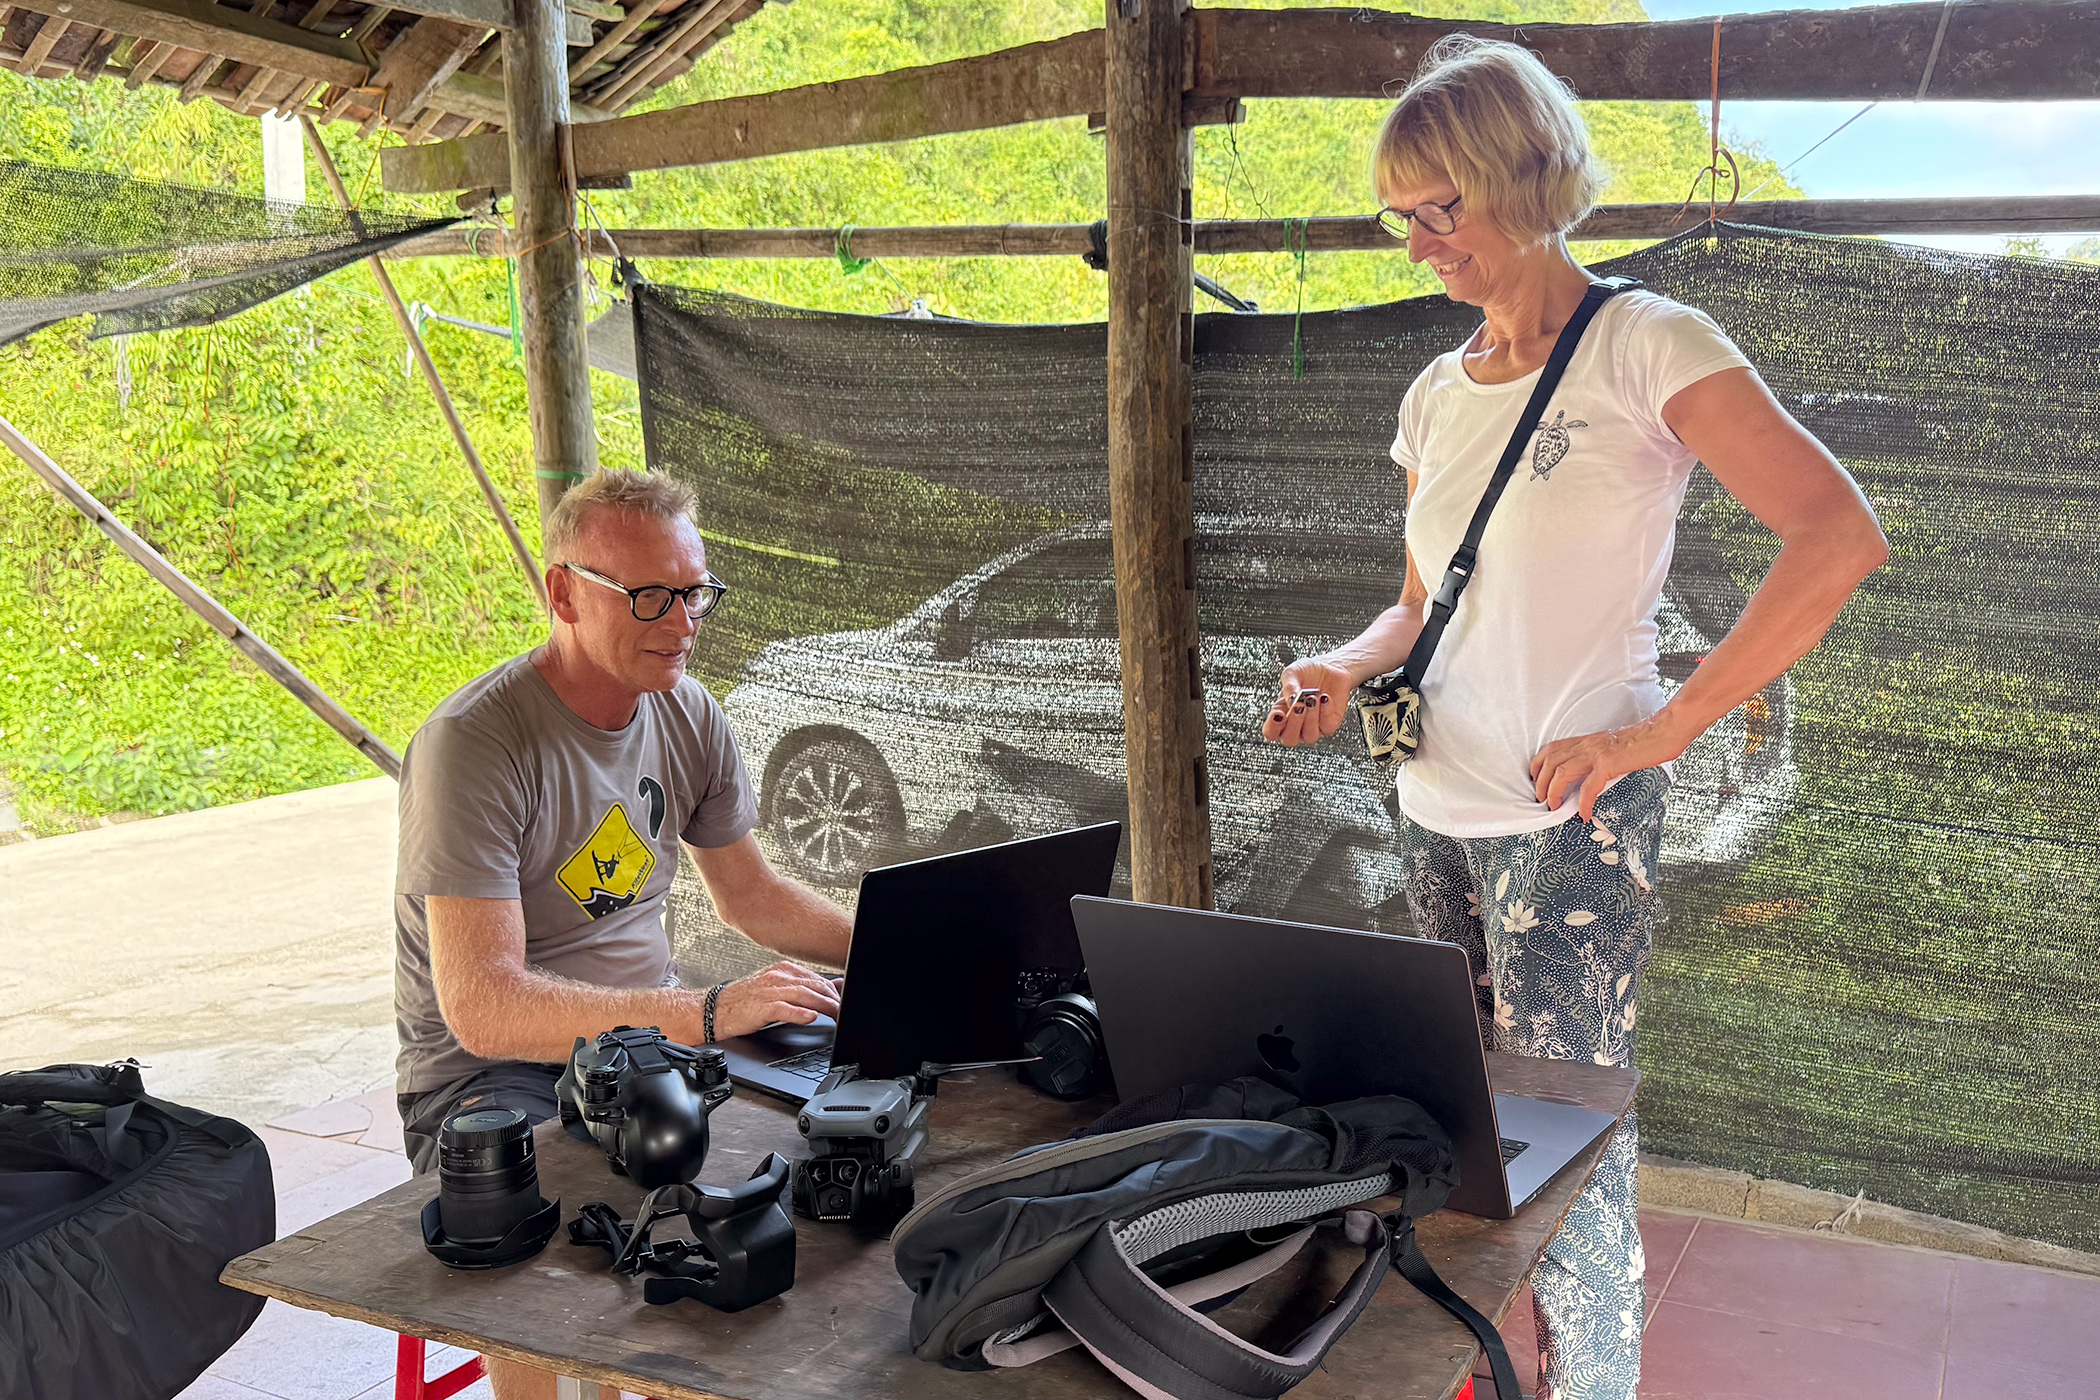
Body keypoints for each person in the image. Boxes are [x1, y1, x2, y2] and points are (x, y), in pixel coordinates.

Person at [1260, 36, 1888, 1400]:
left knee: (1571, 1152)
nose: (1419, 242)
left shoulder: (1647, 342)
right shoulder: (1436, 392)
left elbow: (1837, 537)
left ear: (1525, 179)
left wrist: (1664, 728)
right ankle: (1482, 1370)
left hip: (1569, 825)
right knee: (1454, 1130)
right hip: (1434, 809)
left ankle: (1592, 1386)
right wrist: (1339, 665)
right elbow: (1417, 608)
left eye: (1442, 207)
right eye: (1398, 214)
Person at [393, 468, 852, 1400]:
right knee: (548, 1276)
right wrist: (708, 1012)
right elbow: (483, 1007)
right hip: (489, 1079)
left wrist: (904, 945)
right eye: (649, 596)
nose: (681, 622)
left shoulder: (687, 711)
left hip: (650, 1051)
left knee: (822, 1162)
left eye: (694, 594)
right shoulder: (475, 743)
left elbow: (753, 898)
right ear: (564, 593)